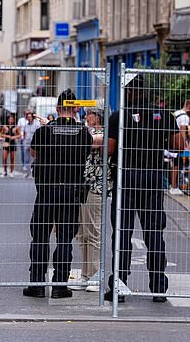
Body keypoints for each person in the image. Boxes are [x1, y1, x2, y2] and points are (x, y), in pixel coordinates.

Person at [105, 75, 179, 303]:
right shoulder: (163, 115)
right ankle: (158, 288)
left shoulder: (119, 116)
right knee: (154, 233)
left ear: (127, 92)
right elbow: (179, 145)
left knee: (122, 234)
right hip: (153, 177)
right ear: (145, 90)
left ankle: (119, 286)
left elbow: (108, 150)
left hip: (125, 177)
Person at [22, 89, 93, 299]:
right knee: (64, 239)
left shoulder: (44, 131)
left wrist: (49, 128)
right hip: (71, 191)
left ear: (57, 108)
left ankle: (37, 284)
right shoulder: (82, 133)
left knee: (40, 237)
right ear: (76, 109)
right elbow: (87, 151)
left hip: (46, 190)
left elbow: (34, 152)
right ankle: (60, 285)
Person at [69, 108, 109, 293]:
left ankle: (95, 275)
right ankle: (85, 275)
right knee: (82, 233)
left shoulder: (103, 133)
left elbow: (90, 142)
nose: (86, 118)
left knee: (93, 231)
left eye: (89, 115)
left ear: (98, 117)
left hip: (95, 187)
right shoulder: (87, 132)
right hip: (82, 186)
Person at [170, 99, 190, 195]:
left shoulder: (177, 113)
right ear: (188, 105)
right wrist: (185, 144)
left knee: (174, 164)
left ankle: (173, 186)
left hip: (171, 141)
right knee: (177, 164)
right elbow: (182, 130)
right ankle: (174, 187)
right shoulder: (184, 116)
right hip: (177, 142)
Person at [21, 111, 41, 176]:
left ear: (32, 117)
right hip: (26, 143)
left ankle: (33, 172)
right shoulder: (26, 125)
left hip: (33, 143)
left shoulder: (36, 124)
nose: (29, 118)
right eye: (28, 117)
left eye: (30, 117)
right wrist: (24, 140)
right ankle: (27, 172)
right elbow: (24, 133)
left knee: (33, 158)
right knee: (26, 158)